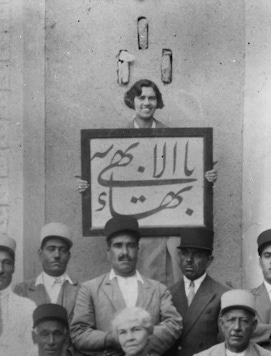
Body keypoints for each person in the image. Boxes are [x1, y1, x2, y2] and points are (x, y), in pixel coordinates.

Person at [76, 79, 217, 285]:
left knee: (175, 287)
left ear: (157, 102)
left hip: (171, 231)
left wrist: (207, 180)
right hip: (142, 233)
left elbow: (191, 184)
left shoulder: (175, 139)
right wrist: (87, 188)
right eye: (141, 97)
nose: (147, 102)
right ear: (132, 101)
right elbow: (104, 182)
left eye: (152, 98)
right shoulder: (115, 141)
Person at [70, 216, 182, 356]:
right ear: (108, 252)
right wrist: (111, 339)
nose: (124, 252)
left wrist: (141, 340)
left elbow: (174, 324)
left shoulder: (157, 289)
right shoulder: (90, 289)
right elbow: (79, 332)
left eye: (130, 245)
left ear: (138, 250)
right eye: (118, 246)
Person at [161, 227, 226, 356]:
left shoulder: (221, 294)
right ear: (179, 255)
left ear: (209, 260)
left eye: (197, 255)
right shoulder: (166, 293)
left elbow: (223, 345)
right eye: (185, 253)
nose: (189, 260)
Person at [13, 222, 82, 356]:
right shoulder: (22, 291)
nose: (57, 255)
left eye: (62, 250)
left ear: (69, 256)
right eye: (51, 249)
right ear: (40, 253)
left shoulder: (82, 291)